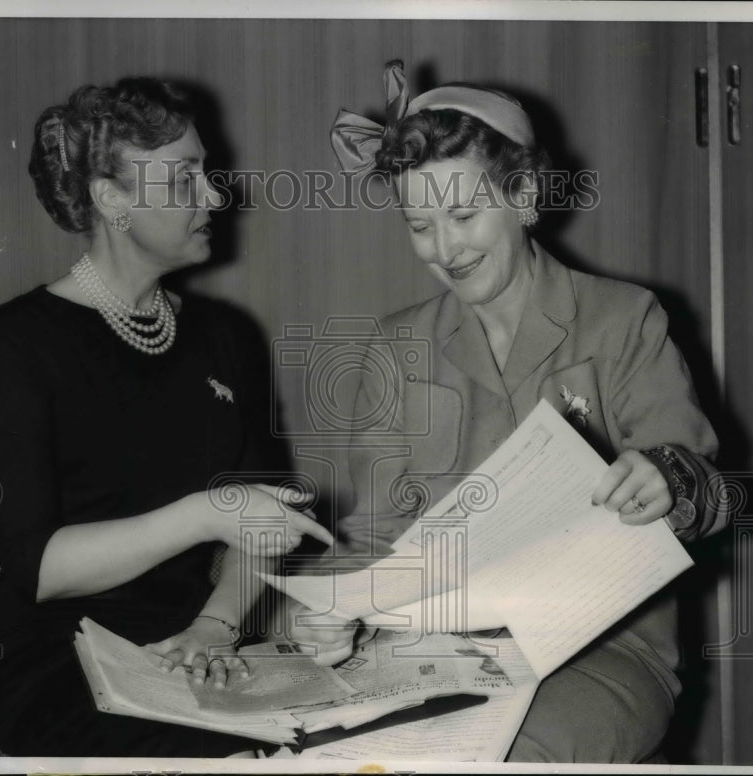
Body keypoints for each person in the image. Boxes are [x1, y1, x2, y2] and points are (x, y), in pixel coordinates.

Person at [288, 61, 729, 762]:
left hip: (601, 652)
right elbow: (373, 538)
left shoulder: (622, 319)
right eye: (419, 225)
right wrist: (330, 617)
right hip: (429, 651)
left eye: (463, 215)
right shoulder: (395, 344)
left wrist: (668, 480)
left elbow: (709, 492)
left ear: (523, 194)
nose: (445, 249)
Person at [0, 76, 332, 757]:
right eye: (185, 178)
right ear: (112, 199)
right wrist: (202, 514)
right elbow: (34, 568)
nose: (215, 196)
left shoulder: (227, 337)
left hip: (195, 644)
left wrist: (215, 627)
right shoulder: (15, 345)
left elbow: (260, 523)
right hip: (56, 658)